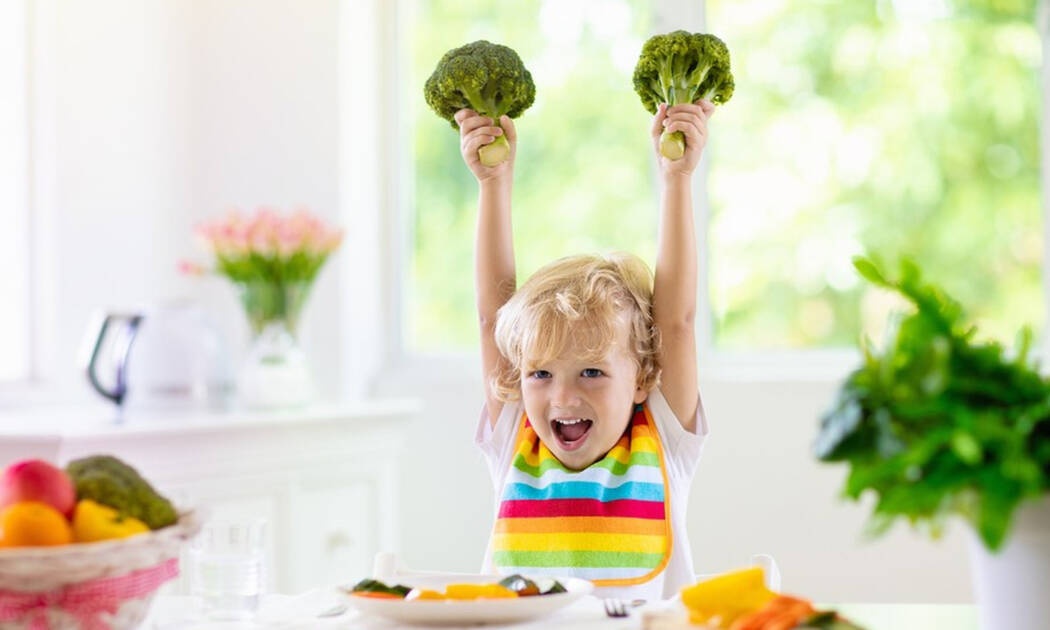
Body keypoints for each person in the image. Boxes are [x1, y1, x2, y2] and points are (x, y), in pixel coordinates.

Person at [455, 98, 716, 600]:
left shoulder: (663, 438)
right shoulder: (516, 439)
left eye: (592, 373)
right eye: (541, 374)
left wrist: (677, 180)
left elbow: (677, 323)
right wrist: (493, 182)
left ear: (642, 377)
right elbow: (493, 320)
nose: (563, 397)